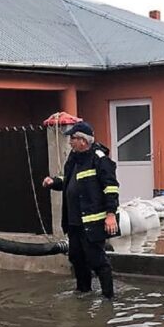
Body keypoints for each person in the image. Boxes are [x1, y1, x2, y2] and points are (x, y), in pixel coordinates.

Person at [42, 121, 119, 298]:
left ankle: (109, 297)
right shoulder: (73, 158)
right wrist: (54, 182)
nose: (70, 141)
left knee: (97, 259)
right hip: (73, 221)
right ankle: (83, 291)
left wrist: (110, 215)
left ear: (83, 141)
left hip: (92, 222)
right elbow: (68, 180)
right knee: (77, 258)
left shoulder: (99, 159)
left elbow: (111, 188)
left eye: (73, 138)